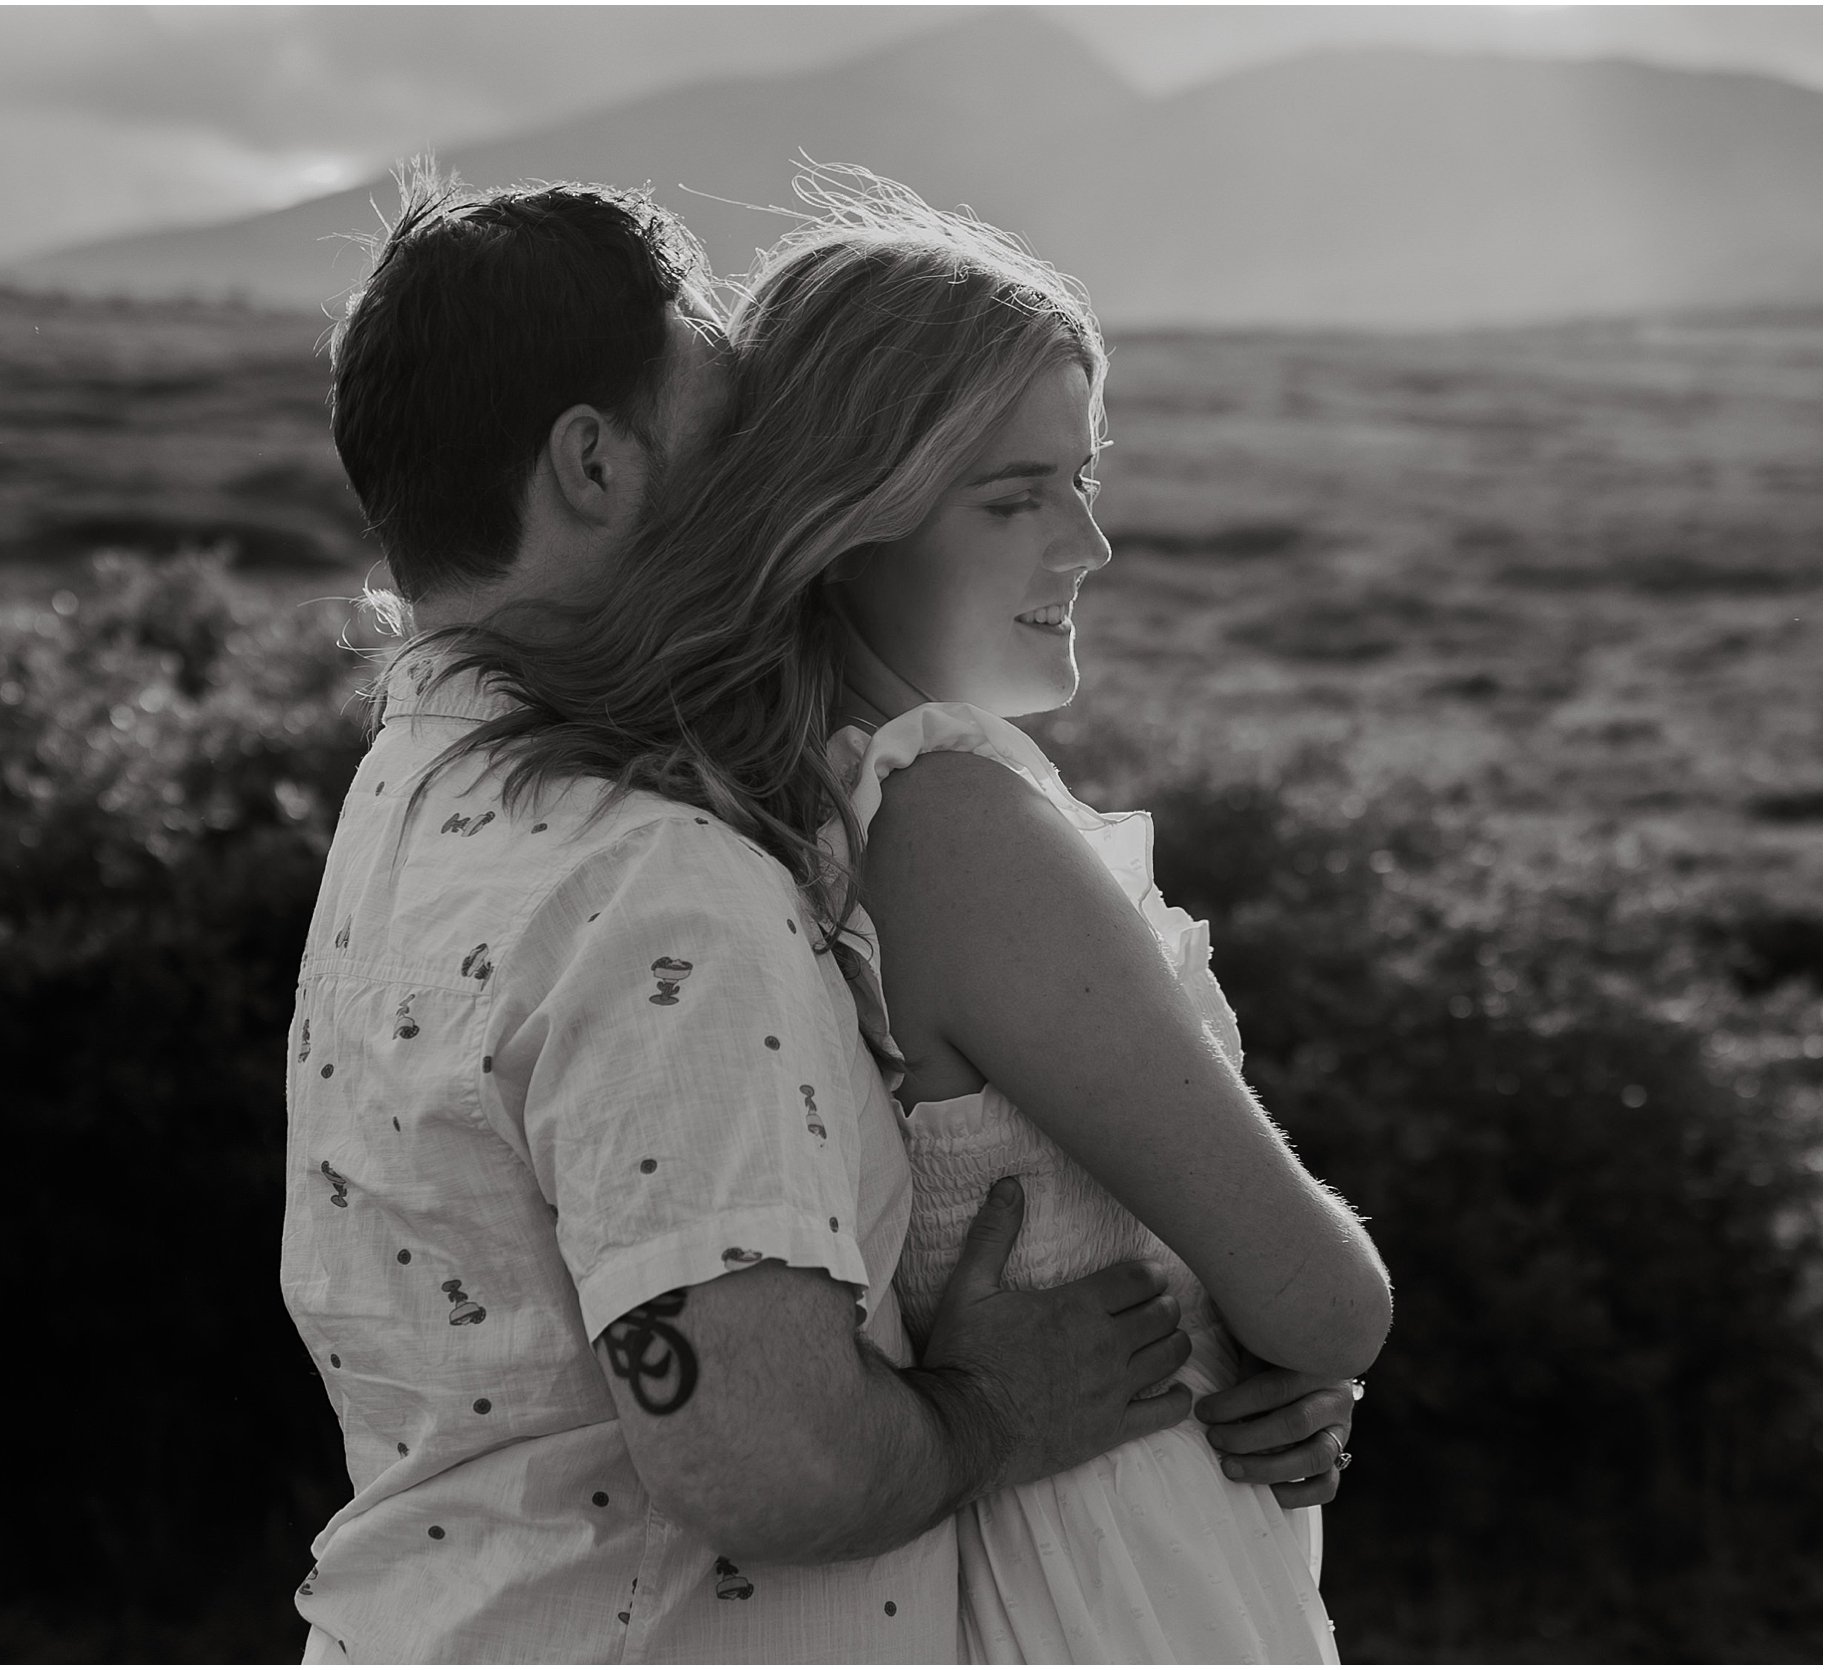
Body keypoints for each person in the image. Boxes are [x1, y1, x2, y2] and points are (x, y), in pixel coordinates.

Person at [283, 165, 1363, 1664]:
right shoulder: (646, 879)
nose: (765, 487)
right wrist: (1009, 1404)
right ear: (594, 464)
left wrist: (1203, 1334)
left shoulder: (420, 797)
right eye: (729, 438)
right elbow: (766, 1456)